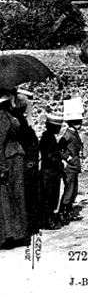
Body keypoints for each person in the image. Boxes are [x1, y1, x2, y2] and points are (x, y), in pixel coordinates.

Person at [0, 90, 29, 249]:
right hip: (9, 160)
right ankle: (12, 234)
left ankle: (18, 233)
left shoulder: (10, 115)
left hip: (16, 158)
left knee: (18, 196)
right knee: (11, 197)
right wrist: (2, 167)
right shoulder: (2, 117)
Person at [11, 90, 41, 237]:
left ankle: (30, 224)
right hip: (25, 163)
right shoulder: (18, 121)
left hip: (27, 162)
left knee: (28, 196)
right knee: (26, 196)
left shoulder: (19, 120)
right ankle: (28, 225)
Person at [39, 112, 65, 230]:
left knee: (51, 196)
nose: (59, 129)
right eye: (58, 127)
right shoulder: (48, 138)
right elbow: (50, 156)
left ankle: (48, 218)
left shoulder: (48, 136)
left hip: (51, 172)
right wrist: (60, 164)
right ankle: (47, 221)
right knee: (49, 197)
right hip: (49, 173)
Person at [58, 117, 84, 224]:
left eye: (80, 121)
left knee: (73, 190)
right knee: (69, 190)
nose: (79, 124)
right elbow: (59, 149)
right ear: (71, 123)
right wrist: (67, 158)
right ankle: (62, 213)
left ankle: (68, 212)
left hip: (74, 166)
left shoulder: (74, 133)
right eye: (77, 122)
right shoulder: (68, 134)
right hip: (69, 167)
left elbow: (77, 145)